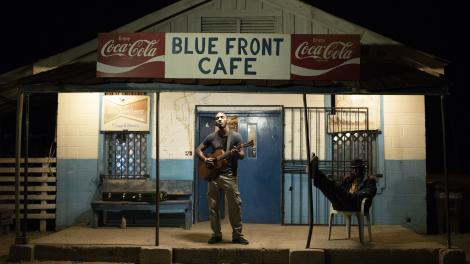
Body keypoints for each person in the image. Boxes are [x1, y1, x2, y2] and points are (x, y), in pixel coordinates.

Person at [195, 112, 249, 245]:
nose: (219, 119)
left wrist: (236, 154)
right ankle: (216, 234)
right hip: (213, 175)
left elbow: (242, 155)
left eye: (222, 117)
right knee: (212, 206)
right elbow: (198, 149)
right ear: (215, 122)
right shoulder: (211, 137)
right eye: (217, 118)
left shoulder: (235, 136)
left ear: (227, 120)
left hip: (228, 175)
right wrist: (205, 158)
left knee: (235, 205)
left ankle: (237, 235)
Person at [310, 154, 377, 211]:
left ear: (362, 169)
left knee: (334, 185)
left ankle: (316, 172)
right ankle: (315, 175)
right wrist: (344, 180)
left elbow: (369, 193)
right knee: (327, 190)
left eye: (357, 169)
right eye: (353, 169)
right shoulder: (350, 179)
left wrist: (353, 195)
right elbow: (339, 190)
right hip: (344, 204)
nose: (354, 171)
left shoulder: (369, 180)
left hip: (357, 205)